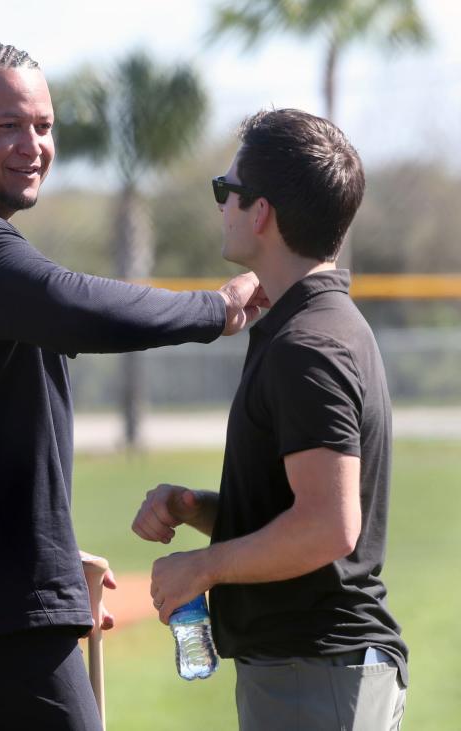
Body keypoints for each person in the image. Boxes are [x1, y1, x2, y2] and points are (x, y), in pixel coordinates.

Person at [0, 42, 265, 730]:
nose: (33, 146)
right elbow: (72, 303)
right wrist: (216, 309)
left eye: (44, 127)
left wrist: (42, 552)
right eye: (8, 127)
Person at [132, 108, 408, 730]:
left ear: (260, 213)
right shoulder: (307, 325)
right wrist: (194, 506)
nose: (221, 205)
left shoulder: (308, 343)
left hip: (318, 673)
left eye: (225, 191)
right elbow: (293, 511)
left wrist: (202, 566)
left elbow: (329, 526)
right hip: (309, 673)